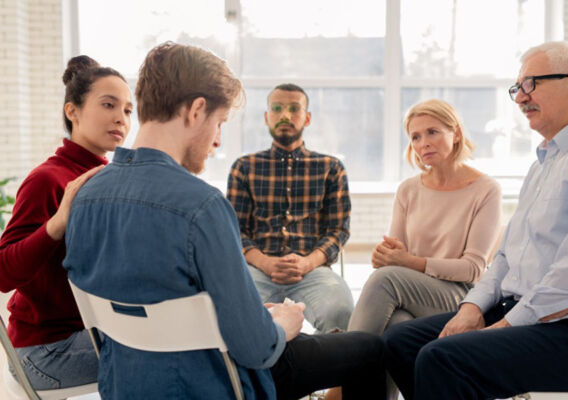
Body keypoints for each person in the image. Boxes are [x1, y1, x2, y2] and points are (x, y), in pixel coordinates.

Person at [64, 42, 386, 400]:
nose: (217, 140)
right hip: (215, 382)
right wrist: (283, 324)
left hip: (125, 383)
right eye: (220, 123)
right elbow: (257, 349)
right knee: (370, 350)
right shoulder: (201, 206)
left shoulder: (85, 195)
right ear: (197, 110)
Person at [383, 41, 568, 400]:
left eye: (531, 84)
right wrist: (471, 308)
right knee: (399, 342)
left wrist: (503, 326)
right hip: (523, 308)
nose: (519, 97)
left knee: (443, 358)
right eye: (517, 88)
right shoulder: (542, 163)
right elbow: (504, 257)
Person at [0, 56, 132, 389]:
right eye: (108, 104)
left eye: (129, 110)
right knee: (174, 356)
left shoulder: (106, 178)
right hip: (45, 352)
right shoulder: (47, 180)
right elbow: (3, 273)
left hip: (86, 332)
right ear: (72, 111)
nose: (121, 118)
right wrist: (56, 224)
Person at [348, 99, 502, 335]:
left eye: (432, 132)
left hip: (462, 296)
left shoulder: (486, 189)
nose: (424, 144)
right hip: (412, 288)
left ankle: (342, 359)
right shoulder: (408, 189)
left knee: (385, 280)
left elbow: (472, 269)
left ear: (457, 134)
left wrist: (407, 262)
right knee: (396, 323)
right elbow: (395, 256)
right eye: (416, 137)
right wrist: (384, 256)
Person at [227, 83, 354, 333]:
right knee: (231, 314)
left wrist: (307, 263)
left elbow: (338, 230)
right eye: (277, 108)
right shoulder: (244, 167)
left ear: (306, 118)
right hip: (257, 270)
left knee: (342, 313)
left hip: (312, 269)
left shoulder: (331, 167)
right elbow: (233, 230)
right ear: (266, 117)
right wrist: (265, 262)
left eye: (294, 109)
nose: (285, 115)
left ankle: (319, 367)